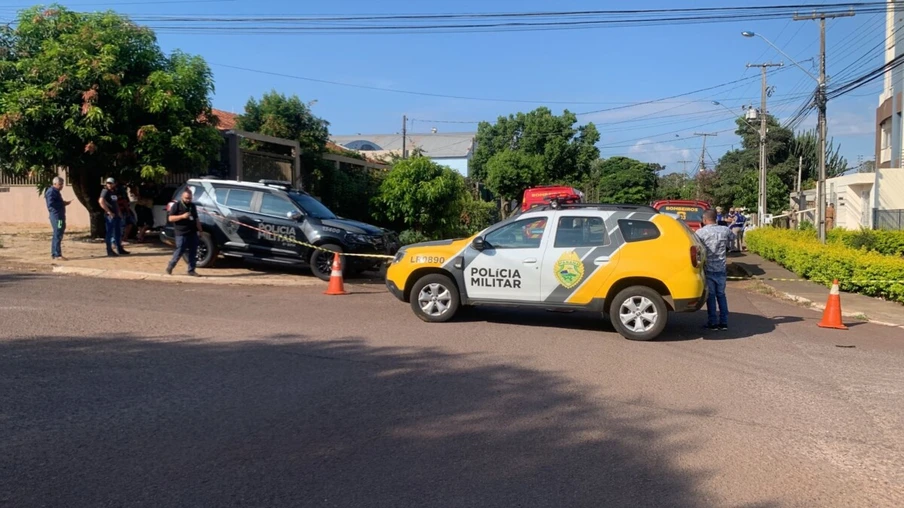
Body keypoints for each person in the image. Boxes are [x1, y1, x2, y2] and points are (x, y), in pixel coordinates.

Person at [695, 209, 734, 331]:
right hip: (721, 268)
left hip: (708, 268)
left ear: (705, 220)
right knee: (721, 295)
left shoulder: (700, 232)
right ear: (716, 218)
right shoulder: (725, 230)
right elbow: (733, 238)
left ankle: (712, 322)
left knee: (711, 296)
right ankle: (724, 322)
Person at [166, 187, 202, 276]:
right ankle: (171, 265)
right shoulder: (177, 205)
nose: (188, 200)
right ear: (182, 197)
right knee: (180, 250)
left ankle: (191, 270)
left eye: (189, 198)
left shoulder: (192, 206)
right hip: (181, 232)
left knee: (193, 252)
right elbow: (170, 218)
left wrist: (200, 230)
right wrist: (182, 216)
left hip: (192, 232)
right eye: (186, 198)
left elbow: (196, 218)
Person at [98, 177, 130, 257]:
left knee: (118, 232)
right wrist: (109, 211)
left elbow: (116, 203)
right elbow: (101, 201)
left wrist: (119, 212)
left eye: (111, 183)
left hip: (116, 215)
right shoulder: (105, 191)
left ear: (114, 184)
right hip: (110, 216)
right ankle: (109, 250)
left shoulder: (114, 192)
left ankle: (119, 248)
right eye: (108, 183)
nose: (109, 185)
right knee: (110, 233)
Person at [45, 176, 72, 260]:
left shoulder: (56, 191)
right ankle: (57, 254)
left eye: (62, 184)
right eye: (60, 184)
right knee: (58, 233)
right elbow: (51, 204)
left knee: (58, 233)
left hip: (60, 216)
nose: (61, 186)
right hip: (57, 217)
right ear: (54, 184)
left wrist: (64, 203)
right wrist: (62, 204)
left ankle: (55, 253)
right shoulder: (51, 191)